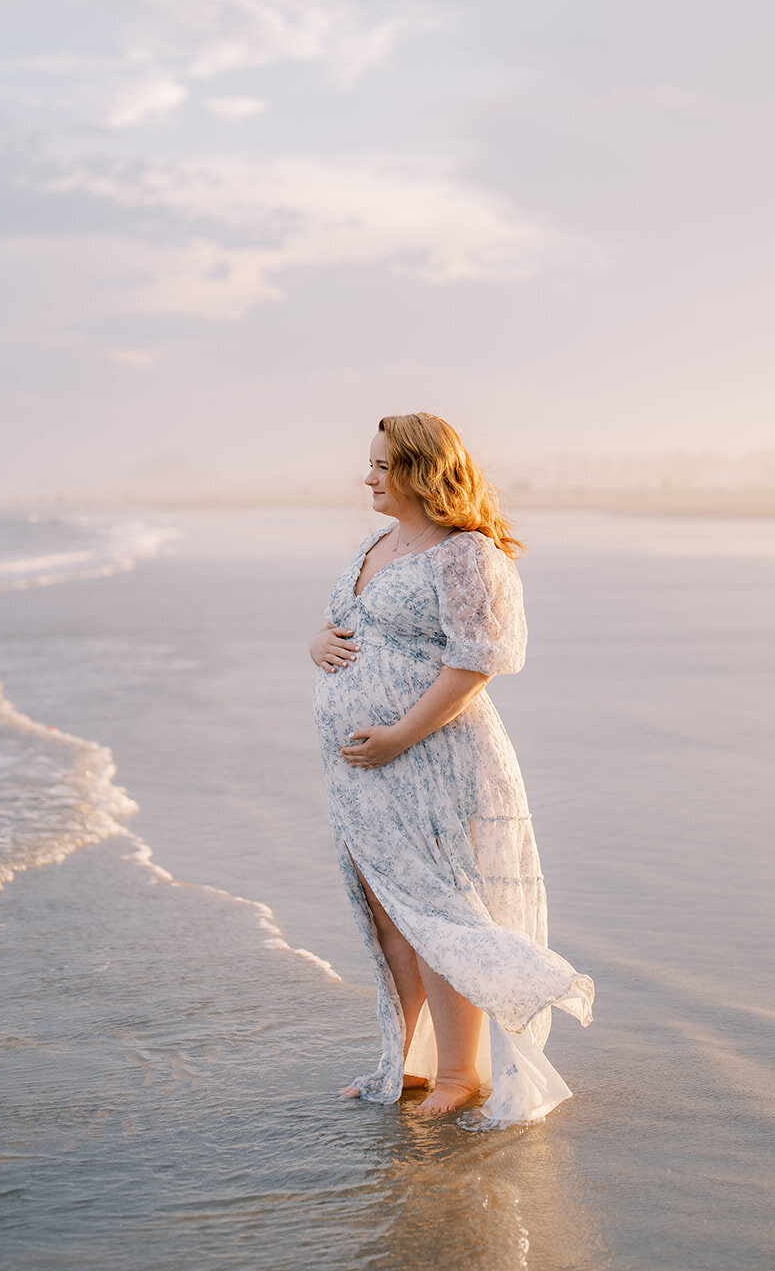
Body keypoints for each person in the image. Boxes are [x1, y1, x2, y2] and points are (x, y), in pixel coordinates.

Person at [309, 412, 593, 1127]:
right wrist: (319, 642)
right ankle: (405, 1062)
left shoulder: (465, 555)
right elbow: (352, 622)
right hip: (366, 769)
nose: (367, 477)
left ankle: (462, 1074)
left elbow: (476, 663)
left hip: (432, 759)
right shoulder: (379, 542)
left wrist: (399, 735)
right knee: (390, 918)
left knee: (437, 914)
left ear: (420, 472)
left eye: (381, 466)